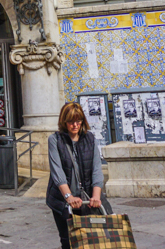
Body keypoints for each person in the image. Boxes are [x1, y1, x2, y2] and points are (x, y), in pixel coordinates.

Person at [46, 102, 104, 249]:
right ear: (64, 122)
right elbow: (57, 172)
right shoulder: (55, 140)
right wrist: (68, 197)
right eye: (71, 122)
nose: (75, 125)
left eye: (78, 121)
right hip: (63, 200)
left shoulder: (89, 139)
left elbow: (97, 169)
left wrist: (96, 196)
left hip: (87, 198)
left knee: (92, 240)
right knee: (68, 240)